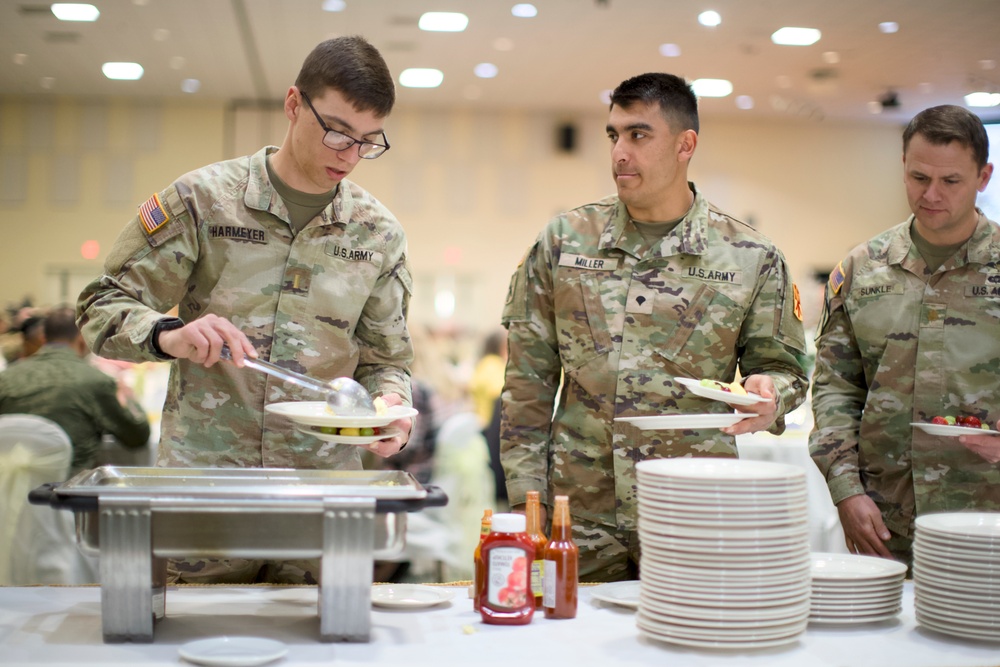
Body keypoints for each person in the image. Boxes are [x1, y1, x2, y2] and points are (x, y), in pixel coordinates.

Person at [76, 36, 413, 584]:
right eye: (335, 131)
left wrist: (391, 405)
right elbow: (100, 304)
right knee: (193, 635)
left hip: (322, 502)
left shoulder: (378, 233)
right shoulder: (204, 201)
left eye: (368, 142)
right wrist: (168, 334)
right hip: (208, 490)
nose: (349, 155)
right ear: (292, 104)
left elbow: (387, 360)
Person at [500, 73, 809, 582]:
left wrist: (771, 391)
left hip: (692, 507)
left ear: (685, 144)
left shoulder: (751, 256)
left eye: (638, 135)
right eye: (613, 135)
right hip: (577, 512)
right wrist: (527, 505)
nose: (620, 152)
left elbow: (782, 369)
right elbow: (526, 387)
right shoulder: (564, 242)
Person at [810, 104, 999, 567]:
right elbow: (836, 389)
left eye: (950, 181)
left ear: (984, 177)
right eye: (918, 178)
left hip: (987, 519)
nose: (931, 194)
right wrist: (845, 491)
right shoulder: (861, 268)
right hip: (884, 520)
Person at [0, 307, 150, 476]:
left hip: (7, 482)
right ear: (81, 340)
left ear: (44, 337)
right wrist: (127, 396)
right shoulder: (96, 381)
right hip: (70, 486)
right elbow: (137, 436)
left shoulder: (6, 377)